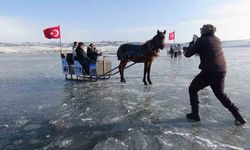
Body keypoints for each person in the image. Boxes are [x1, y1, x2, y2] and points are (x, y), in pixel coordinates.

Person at [183, 24, 246, 125]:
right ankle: (237, 115)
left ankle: (195, 114)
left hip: (209, 71)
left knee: (193, 88)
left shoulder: (202, 40)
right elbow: (208, 50)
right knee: (220, 95)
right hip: (221, 70)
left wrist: (192, 44)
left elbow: (187, 54)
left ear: (203, 31)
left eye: (201, 30)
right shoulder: (217, 39)